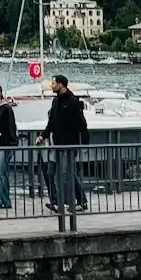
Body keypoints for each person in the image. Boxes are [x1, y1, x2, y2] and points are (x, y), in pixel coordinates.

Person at [44, 74, 90, 211]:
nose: (51, 86)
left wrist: (85, 143)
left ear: (61, 84)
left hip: (70, 144)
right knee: (57, 173)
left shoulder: (72, 101)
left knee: (65, 174)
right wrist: (43, 135)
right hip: (57, 143)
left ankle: (65, 203)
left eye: (53, 83)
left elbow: (82, 124)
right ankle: (79, 201)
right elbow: (51, 122)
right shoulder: (55, 102)